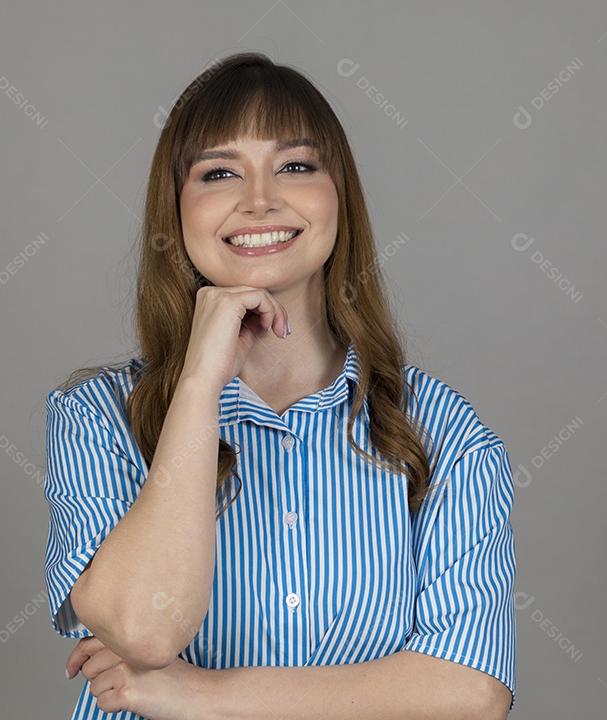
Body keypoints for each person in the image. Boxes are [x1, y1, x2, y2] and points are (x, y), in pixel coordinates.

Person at [43, 50, 517, 720]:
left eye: (296, 166)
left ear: (338, 197)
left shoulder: (440, 432)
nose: (260, 199)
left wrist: (199, 695)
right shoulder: (97, 419)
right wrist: (201, 382)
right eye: (218, 172)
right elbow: (147, 631)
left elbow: (470, 692)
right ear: (176, 211)